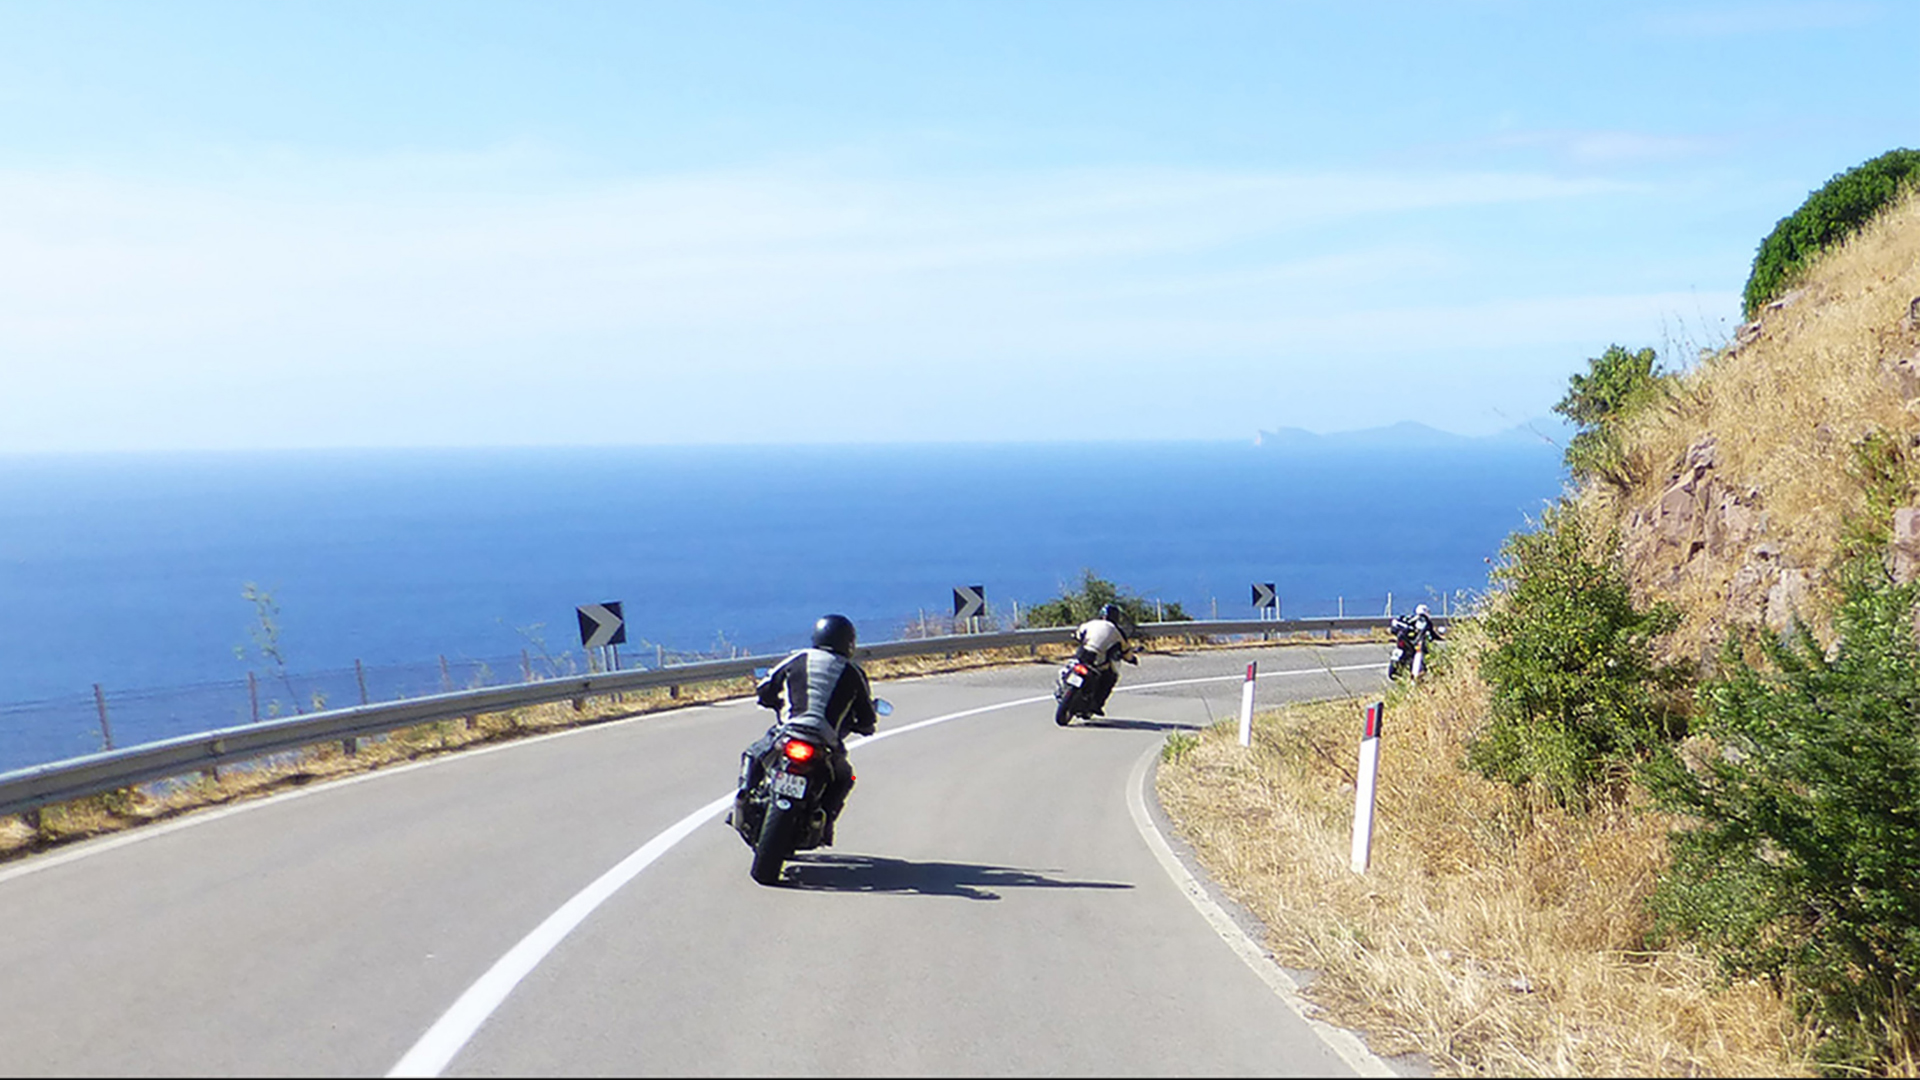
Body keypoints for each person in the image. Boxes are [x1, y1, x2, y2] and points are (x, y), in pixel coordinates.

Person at [738, 613, 878, 846]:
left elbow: (765, 688)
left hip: (789, 734)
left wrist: (771, 700)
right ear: (849, 643)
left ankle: (744, 793)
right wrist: (864, 726)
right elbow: (867, 717)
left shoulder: (797, 658)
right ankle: (825, 823)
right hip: (824, 744)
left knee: (753, 753)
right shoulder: (853, 673)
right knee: (846, 778)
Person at [1073, 602, 1139, 716]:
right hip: (1099, 660)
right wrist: (1131, 659)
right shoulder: (1117, 631)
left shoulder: (1091, 623)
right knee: (1110, 678)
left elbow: (1078, 634)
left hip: (1082, 655)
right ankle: (1096, 704)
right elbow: (1125, 650)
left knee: (1072, 665)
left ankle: (1066, 684)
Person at [1387, 602, 1445, 679]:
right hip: (1410, 642)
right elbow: (1431, 633)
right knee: (1423, 654)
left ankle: (1413, 672)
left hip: (1405, 641)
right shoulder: (1424, 622)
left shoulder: (1409, 618)